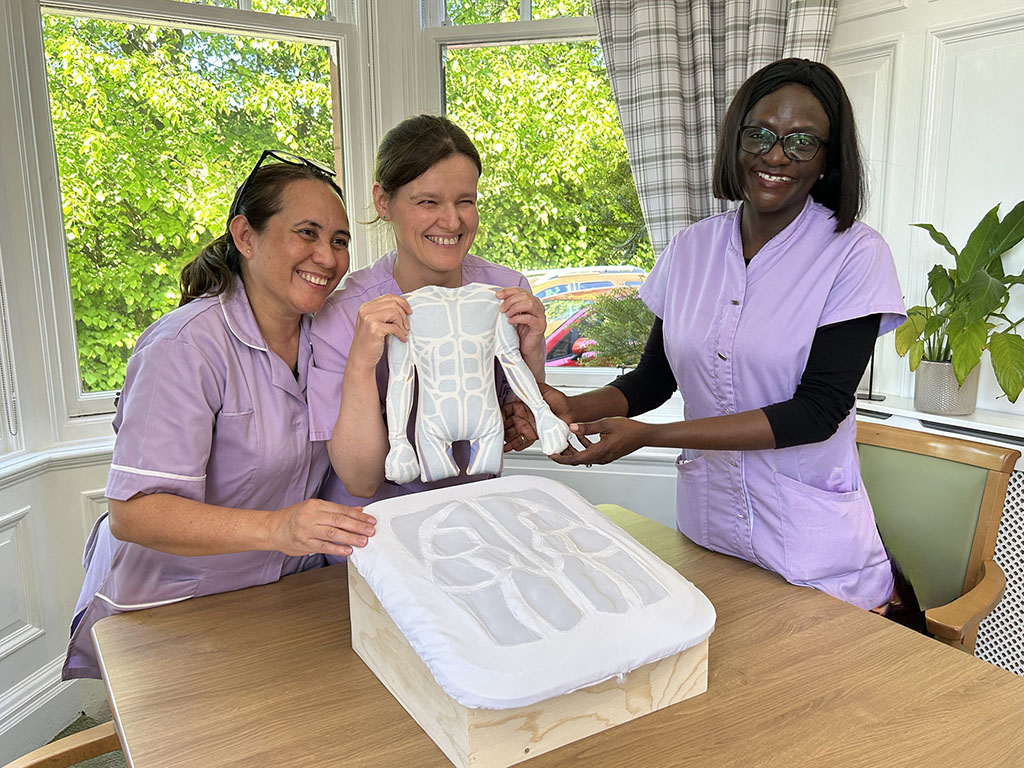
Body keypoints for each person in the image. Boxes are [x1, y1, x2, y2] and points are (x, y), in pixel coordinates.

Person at [542, 59, 909, 613]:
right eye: (759, 134)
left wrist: (648, 436)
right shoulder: (692, 248)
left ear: (828, 159)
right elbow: (653, 379)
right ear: (735, 138)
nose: (777, 155)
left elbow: (817, 411)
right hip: (709, 531)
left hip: (810, 552)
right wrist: (570, 407)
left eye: (802, 142)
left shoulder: (855, 253)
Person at [62, 151, 377, 680]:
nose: (327, 256)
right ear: (246, 237)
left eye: (340, 240)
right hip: (174, 611)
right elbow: (134, 513)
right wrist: (280, 528)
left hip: (280, 595)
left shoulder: (329, 340)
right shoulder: (184, 345)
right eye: (307, 233)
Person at [308, 114, 546, 517]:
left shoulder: (506, 291)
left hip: (474, 521)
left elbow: (521, 422)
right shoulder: (344, 315)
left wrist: (533, 348)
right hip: (374, 535)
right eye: (428, 202)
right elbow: (361, 480)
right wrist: (363, 363)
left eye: (465, 201)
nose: (452, 222)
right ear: (384, 202)